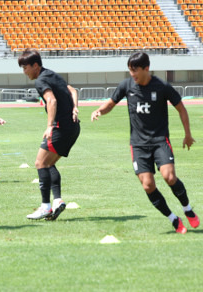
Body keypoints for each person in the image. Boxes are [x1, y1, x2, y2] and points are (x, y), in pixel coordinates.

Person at [91, 52, 198, 233]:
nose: (132, 74)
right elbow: (110, 103)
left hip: (159, 140)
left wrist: (187, 134)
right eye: (130, 71)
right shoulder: (126, 85)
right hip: (138, 145)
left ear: (146, 69)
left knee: (169, 177)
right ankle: (173, 219)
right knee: (148, 185)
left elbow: (181, 108)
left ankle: (187, 208)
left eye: (135, 70)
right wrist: (99, 111)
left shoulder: (162, 86)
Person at [18, 49, 80, 221]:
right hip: (73, 127)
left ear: (35, 65)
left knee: (40, 163)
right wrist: (75, 107)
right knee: (48, 163)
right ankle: (57, 201)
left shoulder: (41, 80)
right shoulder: (52, 75)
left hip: (60, 128)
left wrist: (50, 126)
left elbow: (51, 100)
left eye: (25, 68)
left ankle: (45, 207)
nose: (24, 72)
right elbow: (73, 91)